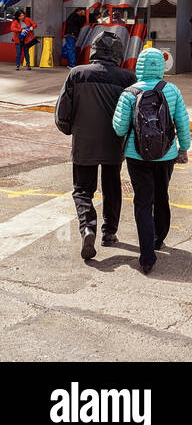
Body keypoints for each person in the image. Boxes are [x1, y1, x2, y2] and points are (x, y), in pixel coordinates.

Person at [54, 30, 136, 261]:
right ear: (118, 53)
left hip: (84, 141)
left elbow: (62, 111)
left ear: (94, 50)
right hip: (114, 142)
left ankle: (87, 227)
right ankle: (109, 233)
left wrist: (70, 129)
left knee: (82, 190)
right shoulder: (127, 78)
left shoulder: (77, 74)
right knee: (112, 187)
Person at [112, 47, 190, 275]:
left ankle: (147, 256)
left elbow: (119, 129)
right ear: (161, 66)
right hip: (166, 154)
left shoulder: (129, 93)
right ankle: (159, 238)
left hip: (137, 156)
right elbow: (182, 123)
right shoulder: (172, 91)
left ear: (139, 66)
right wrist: (183, 149)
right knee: (161, 194)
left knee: (143, 202)